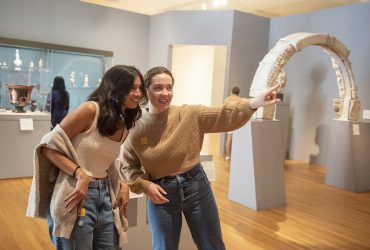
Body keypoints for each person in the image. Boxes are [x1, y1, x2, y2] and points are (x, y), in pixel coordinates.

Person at [120, 66, 281, 250]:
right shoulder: (136, 126)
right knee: (164, 247)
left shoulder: (188, 114)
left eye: (169, 87)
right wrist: (146, 186)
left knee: (212, 244)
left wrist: (254, 103)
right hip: (161, 193)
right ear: (146, 90)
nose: (165, 93)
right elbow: (128, 167)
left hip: (196, 186)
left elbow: (224, 114)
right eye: (158, 88)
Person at [27, 65, 147, 249]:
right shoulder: (91, 110)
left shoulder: (125, 122)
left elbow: (104, 162)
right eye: (132, 88)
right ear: (116, 87)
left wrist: (122, 183)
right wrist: (80, 174)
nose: (138, 93)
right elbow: (47, 146)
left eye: (140, 88)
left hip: (106, 197)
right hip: (76, 194)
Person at [223, 86, 241, 160]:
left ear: (231, 91)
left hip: (229, 120)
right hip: (237, 121)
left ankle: (228, 155)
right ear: (238, 93)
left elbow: (224, 110)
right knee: (238, 139)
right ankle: (236, 155)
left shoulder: (227, 99)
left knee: (229, 138)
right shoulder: (240, 100)